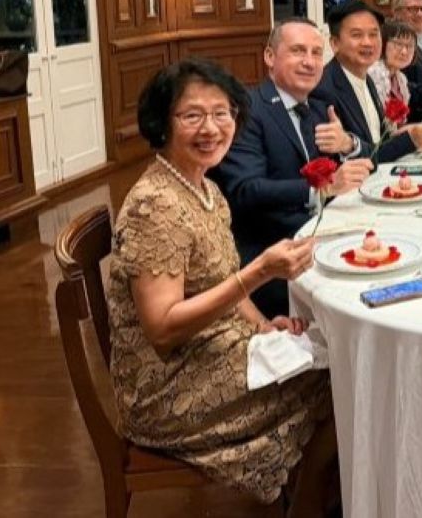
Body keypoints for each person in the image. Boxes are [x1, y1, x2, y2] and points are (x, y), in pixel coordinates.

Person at [110, 58, 338, 514]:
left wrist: (264, 328)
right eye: (192, 115)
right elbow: (162, 328)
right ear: (162, 123)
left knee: (332, 361)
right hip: (169, 389)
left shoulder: (205, 189)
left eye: (222, 113)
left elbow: (222, 281)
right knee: (334, 383)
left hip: (213, 351)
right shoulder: (155, 206)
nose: (211, 128)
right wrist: (260, 271)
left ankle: (314, 497)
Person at [214, 18, 373, 319]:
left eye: (316, 53)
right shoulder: (248, 110)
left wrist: (347, 143)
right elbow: (246, 191)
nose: (310, 62)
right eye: (298, 51)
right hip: (272, 256)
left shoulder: (318, 106)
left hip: (321, 236)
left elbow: (369, 155)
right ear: (269, 57)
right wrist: (323, 188)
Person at [314, 0, 422, 164]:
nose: (367, 42)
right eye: (357, 35)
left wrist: (408, 133)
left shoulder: (367, 80)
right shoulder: (324, 89)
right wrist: (408, 141)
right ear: (335, 43)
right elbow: (358, 159)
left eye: (373, 34)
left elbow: (379, 144)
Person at [368, 20, 417, 106]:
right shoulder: (372, 73)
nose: (404, 52)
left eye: (409, 46)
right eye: (398, 44)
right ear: (382, 43)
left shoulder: (401, 78)